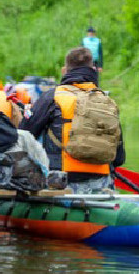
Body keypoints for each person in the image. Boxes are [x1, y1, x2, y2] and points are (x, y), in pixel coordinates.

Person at [20, 47, 125, 193]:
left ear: (64, 70)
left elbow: (23, 135)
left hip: (61, 181)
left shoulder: (52, 97)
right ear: (94, 70)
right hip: (102, 181)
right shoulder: (107, 102)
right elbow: (119, 158)